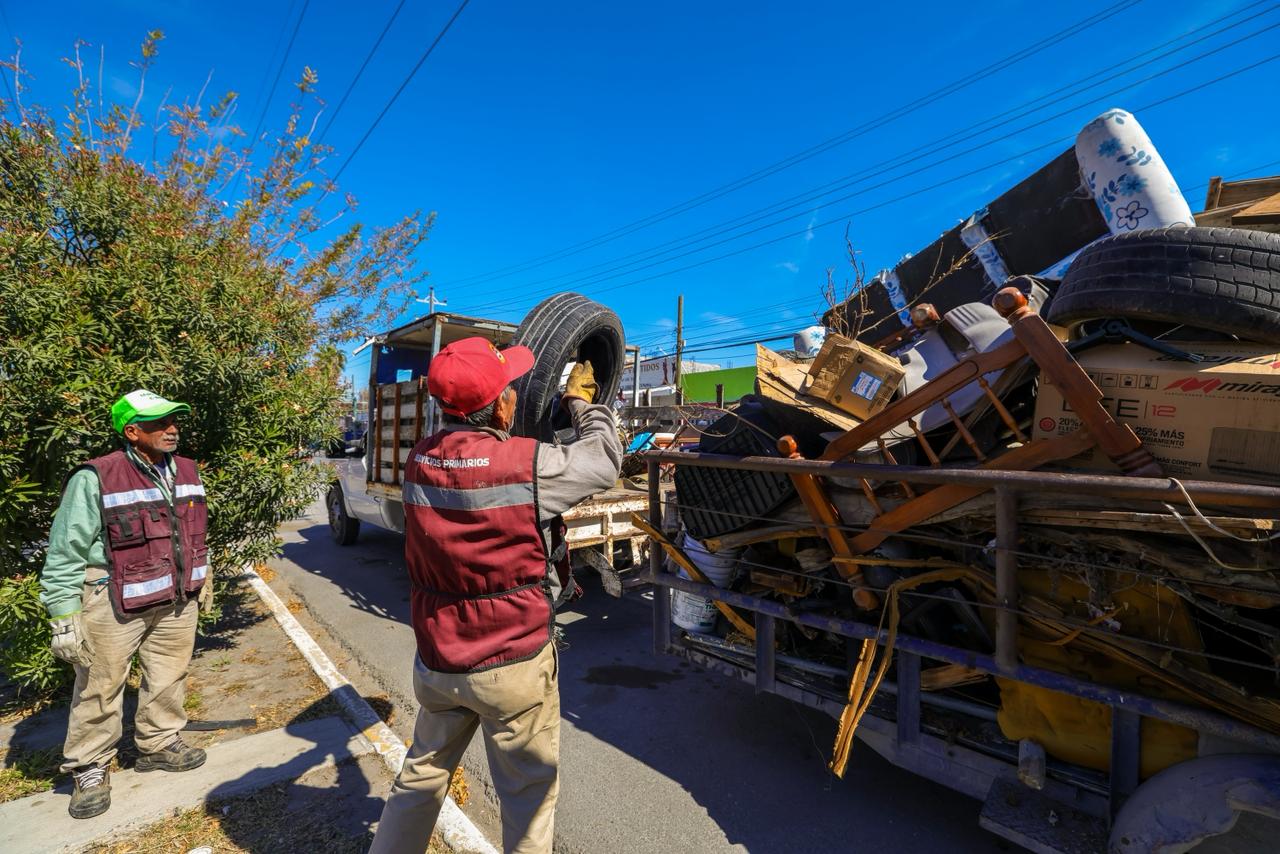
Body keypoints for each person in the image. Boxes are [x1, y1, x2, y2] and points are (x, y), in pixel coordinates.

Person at [370, 338, 623, 854]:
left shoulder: (418, 460)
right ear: (504, 404)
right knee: (528, 800)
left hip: (440, 658)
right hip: (512, 663)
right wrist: (579, 403)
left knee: (420, 779)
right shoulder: (527, 464)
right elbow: (603, 460)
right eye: (510, 387)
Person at [41, 389, 212, 819]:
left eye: (174, 421)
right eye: (158, 423)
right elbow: (65, 550)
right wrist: (63, 614)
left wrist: (202, 574)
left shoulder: (188, 470)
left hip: (175, 599)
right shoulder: (96, 476)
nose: (171, 429)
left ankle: (158, 744)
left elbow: (191, 530)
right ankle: (89, 765)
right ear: (131, 431)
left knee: (170, 675)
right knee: (100, 685)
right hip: (114, 601)